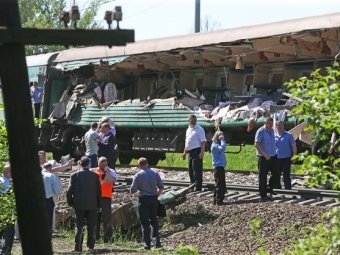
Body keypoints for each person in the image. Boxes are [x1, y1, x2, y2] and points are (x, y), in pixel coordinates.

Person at [66, 157, 101, 253]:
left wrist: (71, 203)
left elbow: (69, 191)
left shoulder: (74, 175)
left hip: (79, 204)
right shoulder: (95, 176)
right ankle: (90, 247)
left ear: (80, 164)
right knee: (91, 226)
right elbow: (98, 192)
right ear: (89, 164)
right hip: (92, 204)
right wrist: (99, 205)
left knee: (79, 225)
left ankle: (78, 247)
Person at [130, 157, 164, 250]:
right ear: (147, 164)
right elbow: (161, 187)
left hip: (143, 200)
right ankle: (157, 243)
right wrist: (156, 196)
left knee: (144, 223)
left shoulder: (137, 175)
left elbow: (133, 190)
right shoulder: (155, 173)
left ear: (139, 165)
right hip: (153, 199)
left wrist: (133, 190)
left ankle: (147, 245)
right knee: (154, 221)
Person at [254, 116, 279, 200]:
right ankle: (263, 195)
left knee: (276, 173)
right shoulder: (261, 131)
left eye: (272, 123)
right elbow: (256, 144)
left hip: (273, 156)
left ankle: (269, 188)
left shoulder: (272, 130)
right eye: (269, 123)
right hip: (264, 157)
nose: (270, 125)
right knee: (263, 177)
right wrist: (264, 154)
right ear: (265, 123)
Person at [94, 157, 118, 243]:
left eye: (104, 165)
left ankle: (107, 239)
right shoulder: (94, 171)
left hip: (106, 198)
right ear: (98, 163)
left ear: (106, 165)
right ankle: (95, 238)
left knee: (106, 218)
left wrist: (107, 172)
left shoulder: (111, 171)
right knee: (95, 218)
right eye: (100, 165)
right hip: (95, 198)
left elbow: (110, 181)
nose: (101, 167)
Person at [182, 115, 207, 191]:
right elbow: (187, 141)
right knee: (190, 169)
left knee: (197, 170)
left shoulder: (199, 129)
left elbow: (203, 142)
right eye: (192, 120)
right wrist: (184, 152)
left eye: (194, 120)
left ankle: (198, 187)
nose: (193, 122)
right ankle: (192, 185)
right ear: (188, 120)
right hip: (190, 151)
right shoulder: (188, 129)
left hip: (197, 150)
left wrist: (202, 152)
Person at [41, 162, 63, 237]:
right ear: (50, 168)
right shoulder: (51, 176)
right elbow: (58, 190)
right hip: (48, 199)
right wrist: (53, 193)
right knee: (49, 217)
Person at [275, 121, 297, 190]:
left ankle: (288, 190)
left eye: (281, 125)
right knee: (276, 175)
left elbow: (294, 146)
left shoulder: (288, 135)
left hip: (286, 159)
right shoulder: (273, 135)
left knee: (286, 175)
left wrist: (294, 156)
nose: (280, 127)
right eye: (278, 125)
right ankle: (278, 189)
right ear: (276, 126)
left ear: (283, 126)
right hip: (276, 158)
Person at [0, 164, 15, 255]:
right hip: (5, 210)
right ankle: (5, 251)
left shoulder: (9, 181)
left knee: (8, 231)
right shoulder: (2, 182)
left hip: (9, 210)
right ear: (6, 172)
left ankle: (6, 250)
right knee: (8, 231)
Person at [211, 131, 227, 205]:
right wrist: (223, 140)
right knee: (220, 184)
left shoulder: (217, 144)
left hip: (220, 166)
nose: (221, 137)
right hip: (218, 167)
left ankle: (216, 200)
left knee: (219, 183)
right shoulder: (215, 145)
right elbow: (223, 148)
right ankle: (218, 200)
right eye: (220, 136)